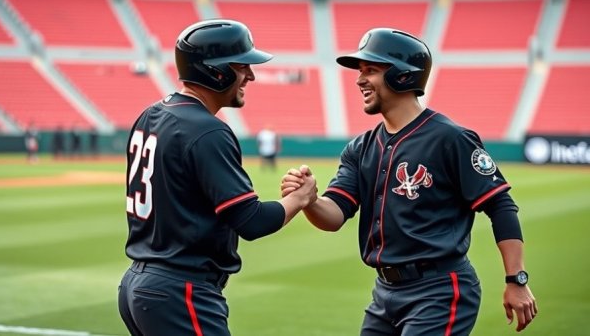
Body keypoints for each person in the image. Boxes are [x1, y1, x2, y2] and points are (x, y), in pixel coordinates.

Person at [281, 28, 537, 335]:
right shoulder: (360, 148)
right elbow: (334, 215)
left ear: (402, 76)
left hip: (439, 291)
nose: (359, 80)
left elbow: (500, 206)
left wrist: (516, 280)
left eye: (371, 70)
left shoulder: (451, 139)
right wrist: (309, 200)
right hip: (384, 294)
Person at [117, 19, 316, 336]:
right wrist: (300, 197)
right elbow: (251, 221)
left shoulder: (151, 114)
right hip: (180, 291)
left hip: (138, 283)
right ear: (217, 71)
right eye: (242, 66)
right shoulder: (207, 130)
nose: (250, 75)